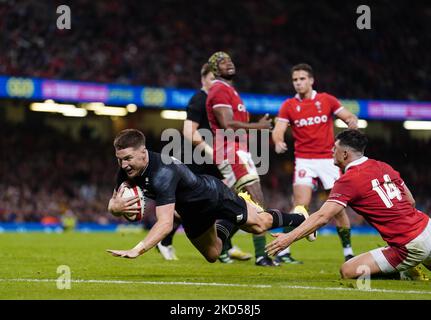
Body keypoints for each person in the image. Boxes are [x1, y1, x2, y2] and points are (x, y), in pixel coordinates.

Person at [106, 129, 310, 263]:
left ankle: (301, 217)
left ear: (143, 152)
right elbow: (114, 202)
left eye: (128, 158)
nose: (123, 165)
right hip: (192, 214)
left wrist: (137, 249)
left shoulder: (163, 173)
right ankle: (232, 219)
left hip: (212, 195)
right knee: (213, 254)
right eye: (119, 160)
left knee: (259, 224)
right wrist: (114, 209)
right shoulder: (125, 170)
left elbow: (166, 224)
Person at [267, 129, 431, 280]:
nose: (332, 152)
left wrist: (288, 239)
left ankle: (403, 272)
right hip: (427, 227)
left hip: (409, 245)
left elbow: (323, 216)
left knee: (348, 271)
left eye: (334, 148)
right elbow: (411, 201)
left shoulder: (349, 180)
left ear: (344, 154)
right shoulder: (383, 166)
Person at [272, 63, 358, 263]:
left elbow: (347, 116)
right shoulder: (289, 105)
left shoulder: (326, 100)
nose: (298, 83)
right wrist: (277, 141)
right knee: (300, 205)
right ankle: (284, 252)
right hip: (304, 161)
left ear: (311, 80)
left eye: (302, 79)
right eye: (295, 80)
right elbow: (278, 129)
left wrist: (352, 122)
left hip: (329, 161)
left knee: (338, 208)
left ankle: (348, 252)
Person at [205, 51, 279, 266]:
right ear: (215, 70)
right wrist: (260, 126)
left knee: (240, 205)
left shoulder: (230, 91)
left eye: (229, 60)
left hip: (237, 149)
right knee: (256, 199)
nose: (228, 63)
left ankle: (219, 244)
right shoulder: (219, 89)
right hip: (231, 150)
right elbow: (227, 124)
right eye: (222, 62)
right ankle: (262, 256)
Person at [182, 62, 252, 263]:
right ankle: (166, 241)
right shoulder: (199, 98)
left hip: (219, 157)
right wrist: (209, 150)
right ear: (203, 79)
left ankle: (225, 245)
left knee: (234, 199)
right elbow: (189, 131)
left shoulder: (220, 97)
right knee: (223, 201)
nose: (216, 83)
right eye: (212, 78)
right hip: (204, 160)